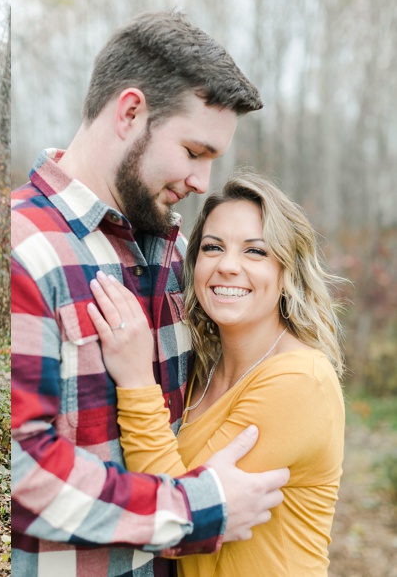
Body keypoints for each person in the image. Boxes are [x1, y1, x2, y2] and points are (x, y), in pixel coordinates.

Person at [11, 10, 291, 577]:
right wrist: (196, 512)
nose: (201, 183)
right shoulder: (25, 245)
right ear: (131, 112)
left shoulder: (178, 248)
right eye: (194, 152)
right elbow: (27, 472)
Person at [89, 170, 345, 575]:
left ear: (287, 272)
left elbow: (180, 520)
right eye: (213, 247)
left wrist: (137, 380)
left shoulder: (299, 381)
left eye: (255, 251)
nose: (227, 266)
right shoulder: (203, 368)